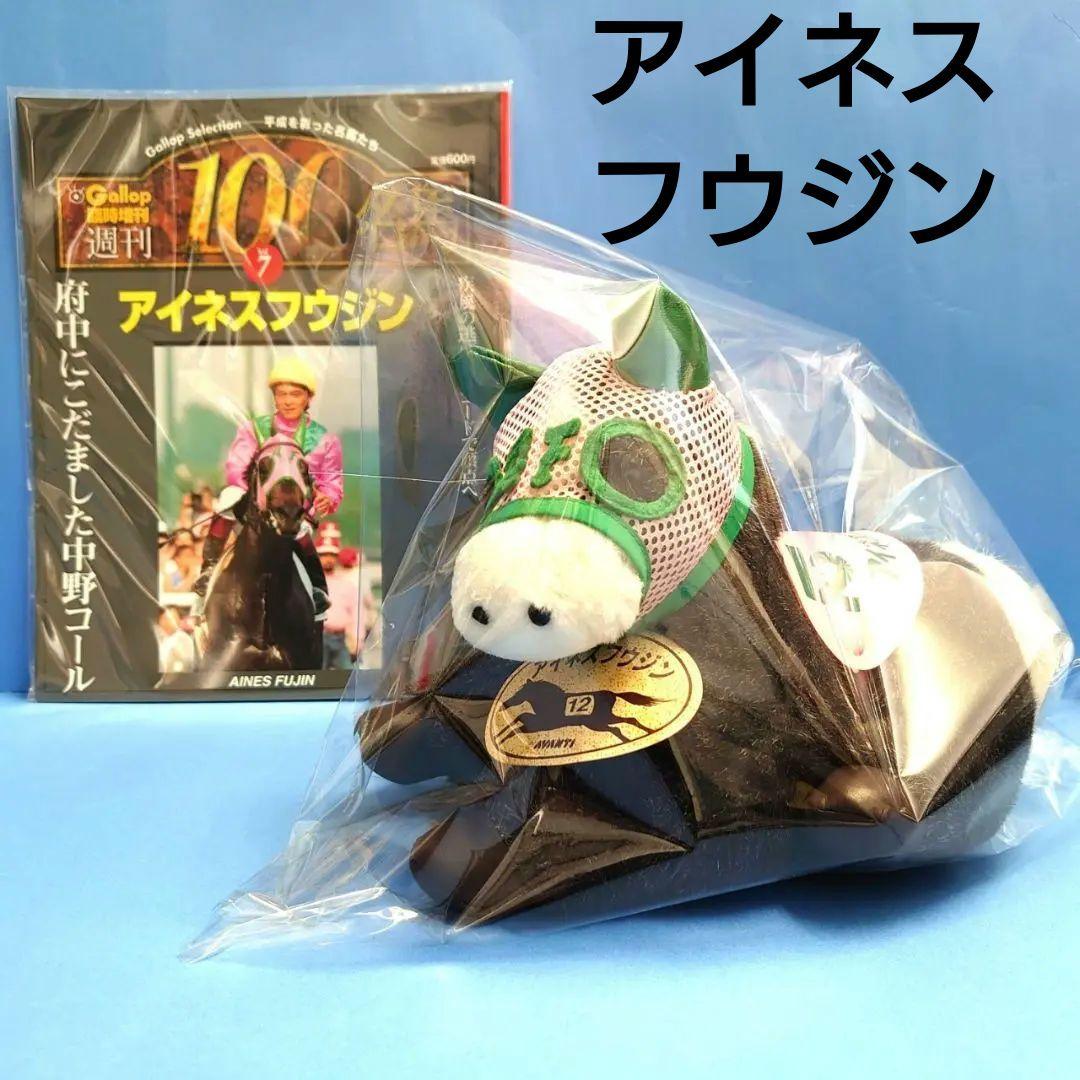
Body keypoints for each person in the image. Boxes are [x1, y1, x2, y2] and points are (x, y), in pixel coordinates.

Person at [192, 357, 343, 615]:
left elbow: (332, 483)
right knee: (228, 496)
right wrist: (260, 499)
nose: (288, 401)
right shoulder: (255, 429)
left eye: (295, 394)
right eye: (282, 394)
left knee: (301, 526)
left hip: (298, 511)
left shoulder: (324, 440)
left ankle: (317, 590)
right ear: (274, 397)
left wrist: (328, 497)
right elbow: (236, 470)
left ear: (308, 398)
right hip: (256, 508)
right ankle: (208, 568)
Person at [317, 523, 356, 670]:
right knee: (318, 677)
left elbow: (355, 613)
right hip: (319, 638)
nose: (328, 559)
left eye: (332, 555)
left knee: (349, 676)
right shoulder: (310, 582)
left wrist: (356, 639)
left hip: (341, 639)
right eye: (324, 555)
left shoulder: (346, 584)